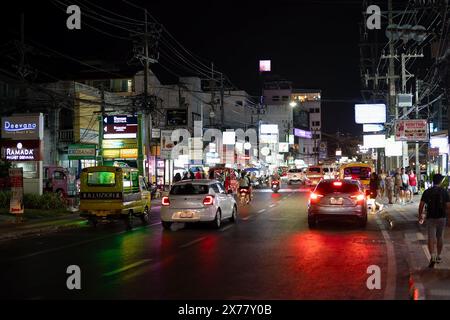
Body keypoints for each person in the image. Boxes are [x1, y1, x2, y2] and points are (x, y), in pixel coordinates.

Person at [418, 173, 450, 268]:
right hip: (441, 217)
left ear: (433, 181)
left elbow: (421, 205)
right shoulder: (444, 192)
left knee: (431, 238)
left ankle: (432, 256)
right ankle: (439, 256)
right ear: (440, 181)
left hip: (430, 217)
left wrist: (420, 215)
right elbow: (448, 206)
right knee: (440, 236)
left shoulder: (427, 192)